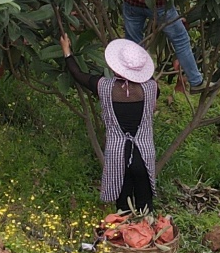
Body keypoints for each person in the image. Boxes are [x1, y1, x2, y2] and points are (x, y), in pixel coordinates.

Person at [59, 32, 158, 213]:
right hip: (143, 155)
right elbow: (147, 78)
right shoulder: (151, 88)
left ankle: (122, 237)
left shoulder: (104, 86)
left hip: (117, 155)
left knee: (123, 207)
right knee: (146, 205)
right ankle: (146, 237)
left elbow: (77, 74)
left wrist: (67, 51)